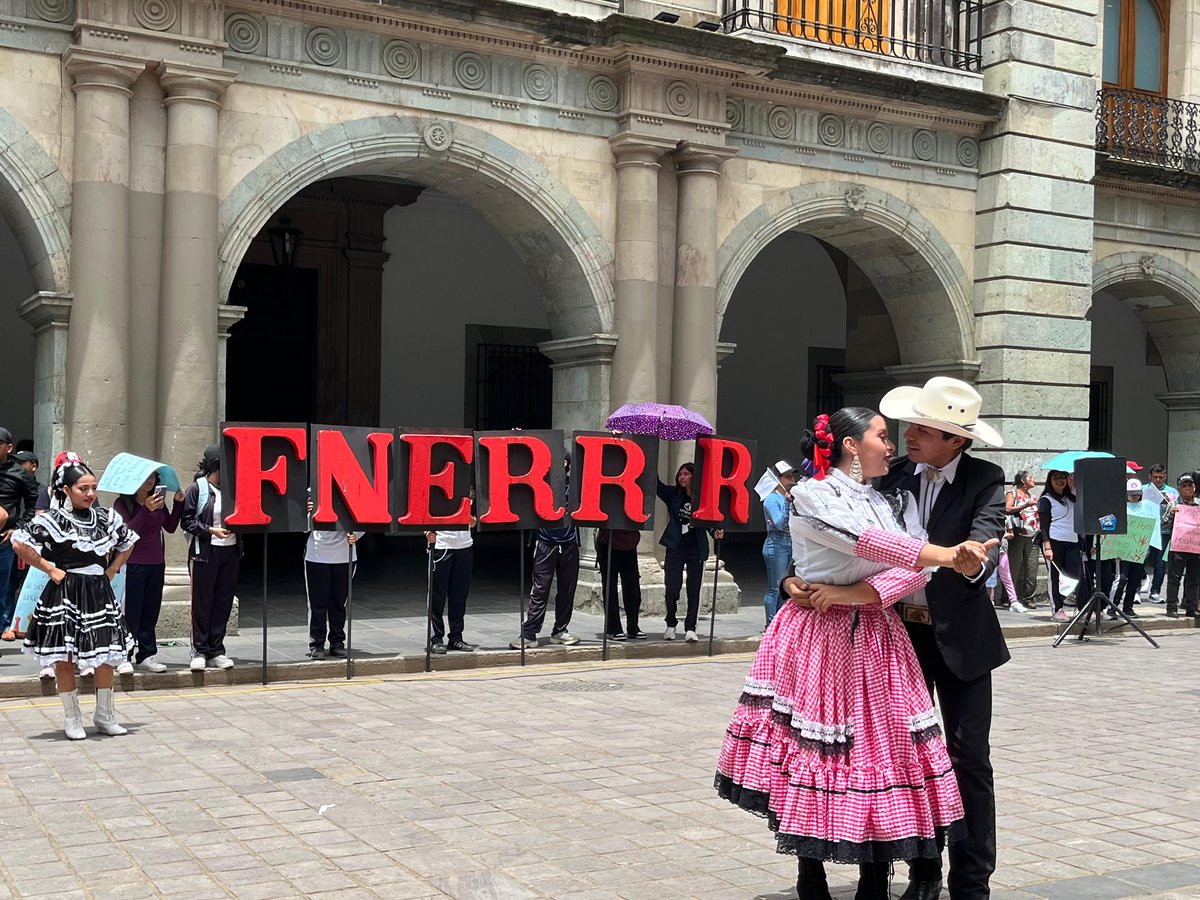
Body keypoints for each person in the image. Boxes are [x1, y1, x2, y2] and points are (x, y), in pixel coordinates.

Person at [717, 407, 993, 900]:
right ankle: (812, 871)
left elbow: (909, 565)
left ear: (955, 439)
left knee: (892, 754)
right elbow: (865, 543)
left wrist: (858, 594)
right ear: (850, 444)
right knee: (815, 749)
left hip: (884, 633)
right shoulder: (816, 492)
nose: (897, 442)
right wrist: (796, 580)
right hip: (820, 634)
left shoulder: (890, 496)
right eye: (885, 435)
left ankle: (897, 876)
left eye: (915, 431)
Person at [872, 377, 1008, 900]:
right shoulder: (892, 476)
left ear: (957, 440)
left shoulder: (984, 478)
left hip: (962, 640)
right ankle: (922, 870)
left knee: (968, 756)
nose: (908, 435)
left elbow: (985, 539)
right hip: (897, 636)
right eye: (910, 424)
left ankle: (971, 882)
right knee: (905, 756)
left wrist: (974, 563)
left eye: (923, 430)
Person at [12, 457, 137, 739]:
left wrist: (112, 569)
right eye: (83, 488)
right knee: (65, 656)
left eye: (93, 487)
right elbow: (19, 542)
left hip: (98, 591)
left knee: (106, 654)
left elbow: (128, 541)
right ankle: (72, 718)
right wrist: (49, 568)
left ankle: (105, 715)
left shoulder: (105, 517)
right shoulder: (53, 519)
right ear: (67, 490)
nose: (90, 493)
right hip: (66, 592)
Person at [113, 473, 184, 672]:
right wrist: (145, 510)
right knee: (131, 611)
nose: (150, 481)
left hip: (156, 562)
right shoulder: (122, 504)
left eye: (153, 477)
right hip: (132, 563)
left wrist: (178, 504)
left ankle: (146, 654)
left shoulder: (158, 500)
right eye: (145, 478)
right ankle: (124, 654)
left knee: (150, 611)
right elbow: (127, 532)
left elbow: (170, 526)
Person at [510, 456, 581, 649]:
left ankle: (560, 631)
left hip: (569, 543)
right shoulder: (541, 484)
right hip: (545, 542)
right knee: (540, 589)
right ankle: (529, 634)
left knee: (567, 590)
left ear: (565, 463)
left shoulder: (575, 487)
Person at [181, 443, 240, 672]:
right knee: (202, 602)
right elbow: (187, 521)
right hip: (204, 553)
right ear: (217, 466)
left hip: (230, 551)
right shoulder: (198, 489)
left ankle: (216, 649)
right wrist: (210, 530)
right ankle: (199, 650)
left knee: (223, 601)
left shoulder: (235, 488)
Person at [657, 463, 723, 643]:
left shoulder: (702, 499)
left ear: (694, 476)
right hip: (675, 547)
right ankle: (671, 623)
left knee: (694, 589)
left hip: (696, 548)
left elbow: (709, 521)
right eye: (680, 474)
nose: (682, 477)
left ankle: (691, 628)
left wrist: (715, 532)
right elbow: (657, 485)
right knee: (672, 587)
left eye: (686, 474)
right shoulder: (673, 494)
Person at [303, 499, 363, 660]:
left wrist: (356, 534)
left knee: (339, 603)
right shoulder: (313, 492)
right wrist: (308, 511)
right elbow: (303, 527)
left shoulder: (351, 490)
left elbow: (365, 515)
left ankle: (337, 642)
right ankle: (317, 643)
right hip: (317, 555)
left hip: (344, 555)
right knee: (317, 604)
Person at [425, 493, 477, 654]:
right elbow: (422, 514)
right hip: (442, 546)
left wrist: (468, 516)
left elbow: (474, 522)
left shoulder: (469, 492)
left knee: (459, 595)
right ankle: (436, 638)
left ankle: (456, 636)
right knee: (437, 596)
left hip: (464, 546)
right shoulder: (436, 491)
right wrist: (426, 533)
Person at [0, 427, 40, 634]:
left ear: (9, 448)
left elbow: (33, 504)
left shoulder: (20, 474)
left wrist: (18, 528)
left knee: (4, 585)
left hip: (5, 537)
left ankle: (4, 625)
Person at [1111, 479, 1162, 618]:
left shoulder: (1147, 508)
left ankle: (1128, 607)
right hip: (1123, 549)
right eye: (1132, 493)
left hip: (1140, 549)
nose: (1135, 496)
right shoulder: (1120, 508)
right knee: (1121, 578)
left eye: (1137, 493)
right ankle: (1112, 607)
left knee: (1135, 579)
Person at [761, 460, 799, 629]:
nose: (792, 479)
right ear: (778, 479)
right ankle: (770, 625)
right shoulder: (771, 499)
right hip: (777, 544)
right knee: (775, 588)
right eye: (787, 476)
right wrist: (789, 503)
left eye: (792, 476)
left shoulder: (790, 498)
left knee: (786, 587)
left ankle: (781, 624)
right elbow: (780, 524)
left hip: (791, 544)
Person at [1039, 470, 1079, 623]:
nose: (1059, 481)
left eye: (1062, 478)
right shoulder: (1046, 500)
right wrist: (1047, 547)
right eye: (1055, 478)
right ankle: (1057, 608)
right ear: (1050, 481)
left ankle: (1071, 602)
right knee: (1054, 577)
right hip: (1054, 542)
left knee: (1076, 575)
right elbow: (1043, 526)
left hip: (1072, 542)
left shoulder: (1071, 498)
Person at [1163, 472, 1200, 619]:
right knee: (1174, 579)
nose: (1188, 488)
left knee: (1194, 580)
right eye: (1184, 486)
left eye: (1190, 485)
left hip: (1196, 547)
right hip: (1178, 547)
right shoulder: (1174, 504)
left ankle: (1191, 607)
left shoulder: (1199, 504)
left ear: (1194, 487)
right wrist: (1172, 515)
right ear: (1179, 488)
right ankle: (1171, 607)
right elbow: (1164, 524)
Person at [597, 527, 643, 640]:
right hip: (608, 542)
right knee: (610, 588)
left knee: (633, 589)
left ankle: (633, 627)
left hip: (630, 543)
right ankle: (613, 628)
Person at [1005, 470, 1039, 611]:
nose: (1033, 479)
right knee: (1014, 567)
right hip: (1017, 535)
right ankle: (1010, 598)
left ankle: (1029, 597)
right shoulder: (1012, 493)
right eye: (1030, 477)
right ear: (1023, 481)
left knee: (1032, 567)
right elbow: (1007, 509)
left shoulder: (1032, 496)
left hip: (1032, 536)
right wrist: (1026, 505)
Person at [1146, 463, 1177, 602]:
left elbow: (1178, 509)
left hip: (1164, 531)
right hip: (1145, 529)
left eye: (1161, 477)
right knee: (1140, 560)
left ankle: (1155, 592)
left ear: (1165, 476)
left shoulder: (1172, 492)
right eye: (1155, 477)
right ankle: (1135, 590)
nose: (1158, 480)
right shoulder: (1143, 489)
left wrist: (1172, 504)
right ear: (1150, 476)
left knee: (1160, 563)